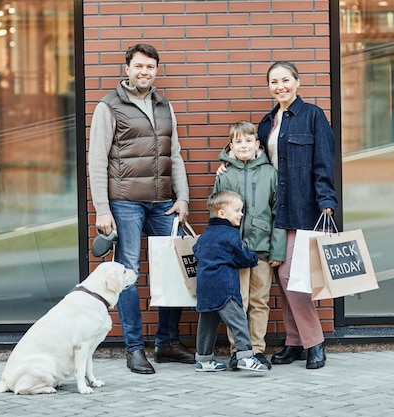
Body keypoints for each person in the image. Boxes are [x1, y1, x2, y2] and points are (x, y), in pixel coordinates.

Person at [88, 43, 195, 374]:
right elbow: (97, 160)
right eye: (138, 66)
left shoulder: (165, 105)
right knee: (129, 274)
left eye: (150, 66)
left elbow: (173, 154)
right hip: (125, 203)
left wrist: (183, 197)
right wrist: (102, 209)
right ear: (127, 69)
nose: (144, 71)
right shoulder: (108, 106)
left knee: (175, 268)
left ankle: (167, 343)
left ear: (156, 70)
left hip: (163, 202)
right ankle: (134, 348)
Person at [258, 61, 338, 370]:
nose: (280, 86)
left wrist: (326, 202)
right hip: (276, 211)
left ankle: (315, 342)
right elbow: (253, 158)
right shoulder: (267, 122)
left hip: (305, 209)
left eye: (286, 80)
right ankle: (295, 342)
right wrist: (227, 162)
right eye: (274, 81)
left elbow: (323, 163)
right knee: (283, 277)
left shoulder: (313, 116)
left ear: (297, 82)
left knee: (294, 277)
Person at [213, 121, 286, 370]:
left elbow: (278, 214)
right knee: (238, 301)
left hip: (262, 250)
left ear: (257, 145)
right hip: (235, 251)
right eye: (237, 142)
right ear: (231, 146)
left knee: (259, 301)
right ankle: (239, 350)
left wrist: (277, 250)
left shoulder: (270, 173)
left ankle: (256, 349)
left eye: (247, 141)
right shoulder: (225, 175)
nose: (243, 146)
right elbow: (217, 213)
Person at [192, 190, 269, 373]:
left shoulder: (205, 235)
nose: (241, 214)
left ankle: (203, 360)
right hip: (225, 287)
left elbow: (196, 251)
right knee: (238, 321)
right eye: (237, 210)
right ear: (222, 213)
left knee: (207, 324)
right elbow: (240, 256)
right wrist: (253, 258)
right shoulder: (230, 234)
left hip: (205, 286)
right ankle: (246, 356)